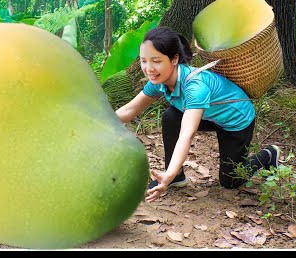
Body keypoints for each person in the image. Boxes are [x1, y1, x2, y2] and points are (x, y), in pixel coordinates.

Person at [115, 26, 280, 203]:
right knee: (171, 117)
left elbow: (187, 134)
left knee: (231, 181)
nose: (149, 68)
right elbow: (129, 110)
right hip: (209, 114)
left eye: (156, 61)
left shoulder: (195, 87)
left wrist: (167, 174)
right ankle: (177, 177)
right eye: (144, 61)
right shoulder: (159, 80)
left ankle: (269, 154)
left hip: (235, 120)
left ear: (174, 59)